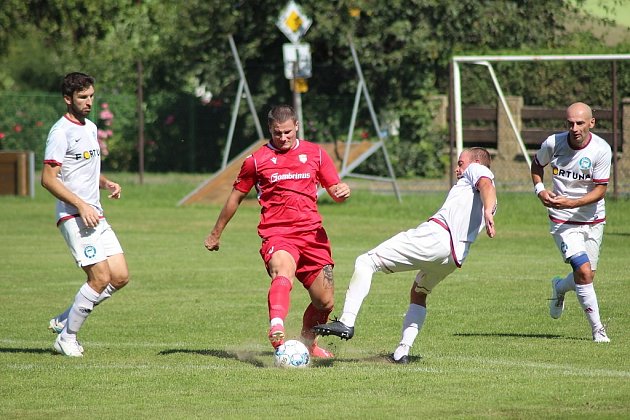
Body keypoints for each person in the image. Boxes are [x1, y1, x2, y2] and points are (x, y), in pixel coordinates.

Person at [314, 147, 497, 363]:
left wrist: (487, 210)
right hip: (453, 257)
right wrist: (489, 210)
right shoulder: (485, 195)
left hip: (435, 237)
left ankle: (346, 321)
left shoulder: (477, 170)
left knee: (366, 261)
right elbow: (486, 191)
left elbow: (485, 183)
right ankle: (402, 352)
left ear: (475, 162)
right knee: (419, 293)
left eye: (460, 163)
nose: (457, 169)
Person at [204, 104, 351, 358]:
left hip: (313, 236)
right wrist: (216, 233)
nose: (282, 138)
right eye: (276, 133)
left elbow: (334, 189)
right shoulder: (256, 161)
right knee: (283, 270)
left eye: (287, 133)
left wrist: (341, 193)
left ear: (296, 127)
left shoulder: (315, 154)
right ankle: (277, 327)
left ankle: (308, 343)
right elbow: (235, 197)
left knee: (324, 301)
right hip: (278, 234)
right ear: (269, 130)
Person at [41, 72, 129, 357]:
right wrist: (80, 205)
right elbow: (48, 179)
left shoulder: (90, 127)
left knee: (120, 276)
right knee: (99, 278)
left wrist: (107, 183)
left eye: (91, 96)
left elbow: (85, 168)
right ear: (68, 99)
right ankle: (67, 337)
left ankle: (66, 318)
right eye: (82, 97)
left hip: (95, 214)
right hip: (74, 216)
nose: (89, 102)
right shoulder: (60, 132)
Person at [530, 102, 611, 343]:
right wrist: (540, 190)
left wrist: (573, 203)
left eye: (580, 123)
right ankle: (598, 330)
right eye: (570, 124)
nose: (574, 128)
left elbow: (600, 190)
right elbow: (537, 165)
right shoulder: (553, 143)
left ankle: (559, 287)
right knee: (583, 272)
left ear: (591, 123)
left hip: (593, 219)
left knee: (585, 277)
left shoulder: (601, 150)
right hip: (563, 220)